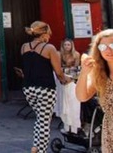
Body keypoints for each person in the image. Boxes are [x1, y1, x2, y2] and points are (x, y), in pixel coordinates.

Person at [21, 21, 68, 153]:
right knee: (45, 122)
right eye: (49, 34)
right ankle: (41, 150)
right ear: (44, 34)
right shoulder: (49, 48)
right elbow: (58, 72)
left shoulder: (24, 47)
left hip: (28, 88)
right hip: (45, 88)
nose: (50, 36)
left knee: (40, 119)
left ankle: (35, 147)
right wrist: (65, 80)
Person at [76, 29, 113, 150]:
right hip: (110, 130)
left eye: (112, 45)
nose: (108, 50)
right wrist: (84, 73)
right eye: (103, 46)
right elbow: (82, 97)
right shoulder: (100, 74)